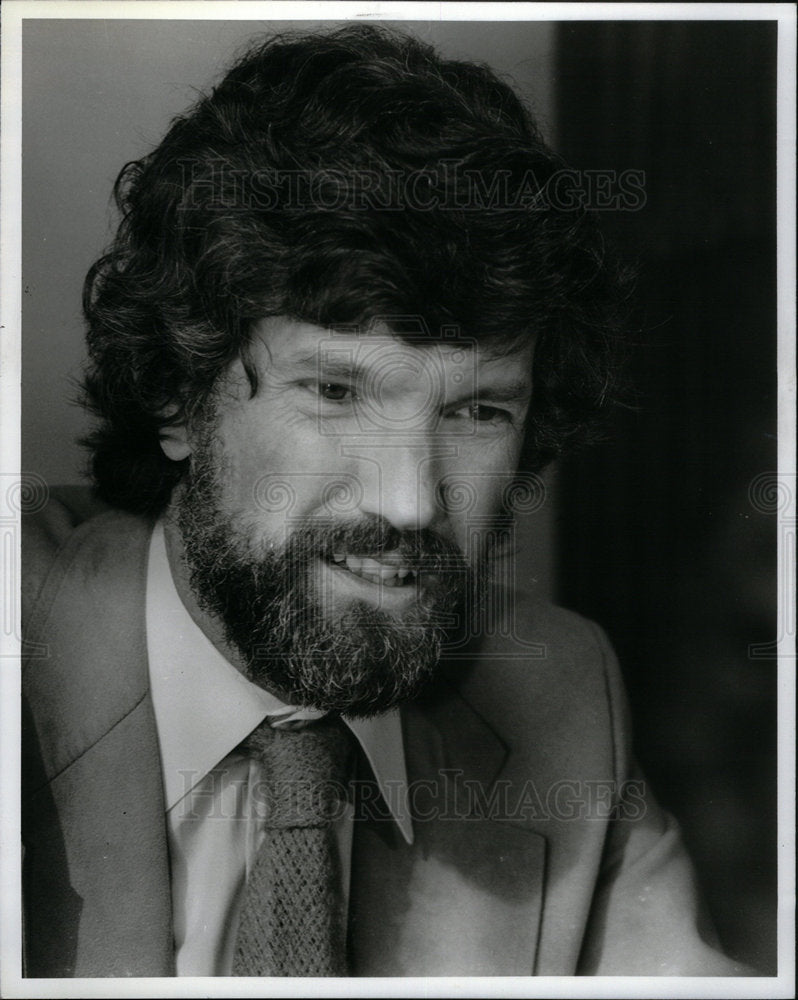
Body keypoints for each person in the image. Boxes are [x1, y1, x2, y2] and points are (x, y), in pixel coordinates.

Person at [21, 23, 747, 978]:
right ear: (176, 393)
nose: (409, 502)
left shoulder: (556, 698)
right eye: (335, 392)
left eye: (479, 410)